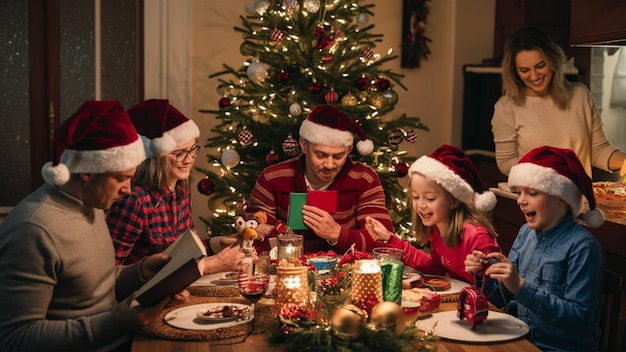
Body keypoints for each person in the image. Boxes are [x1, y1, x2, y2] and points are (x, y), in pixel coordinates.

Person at [0, 100, 186, 351]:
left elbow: (94, 290)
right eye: (121, 178)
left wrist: (141, 272)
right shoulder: (33, 230)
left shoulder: (91, 203)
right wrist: (116, 322)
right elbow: (16, 339)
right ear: (87, 171)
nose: (128, 189)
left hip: (123, 340)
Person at [465, 146, 605, 351]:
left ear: (562, 197)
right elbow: (498, 298)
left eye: (531, 193)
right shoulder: (525, 233)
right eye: (519, 192)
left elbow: (579, 319)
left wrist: (521, 287)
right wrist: (483, 274)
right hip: (518, 339)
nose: (521, 201)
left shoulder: (584, 248)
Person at [106, 99, 244, 272]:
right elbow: (109, 271)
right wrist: (208, 266)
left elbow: (181, 248)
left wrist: (215, 244)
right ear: (155, 156)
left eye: (193, 149)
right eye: (179, 153)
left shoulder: (181, 189)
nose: (189, 160)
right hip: (138, 296)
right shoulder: (133, 200)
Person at [245, 105, 393, 254]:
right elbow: (254, 238)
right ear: (303, 145)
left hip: (347, 271)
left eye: (338, 156)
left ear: (348, 150)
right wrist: (279, 230)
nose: (329, 165)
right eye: (321, 155)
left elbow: (384, 241)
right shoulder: (273, 178)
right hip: (288, 271)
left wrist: (336, 234)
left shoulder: (364, 179)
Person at [492, 26, 626, 178]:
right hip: (540, 199)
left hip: (580, 199)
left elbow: (598, 150)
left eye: (540, 66)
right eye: (525, 70)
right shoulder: (506, 108)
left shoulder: (579, 95)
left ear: (552, 60)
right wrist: (545, 167)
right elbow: (505, 162)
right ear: (515, 71)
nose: (534, 76)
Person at [365, 144, 501, 284]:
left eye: (430, 198)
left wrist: (479, 273)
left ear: (453, 201)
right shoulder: (437, 228)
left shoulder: (477, 237)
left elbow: (498, 291)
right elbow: (435, 267)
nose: (421, 205)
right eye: (416, 197)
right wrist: (389, 238)